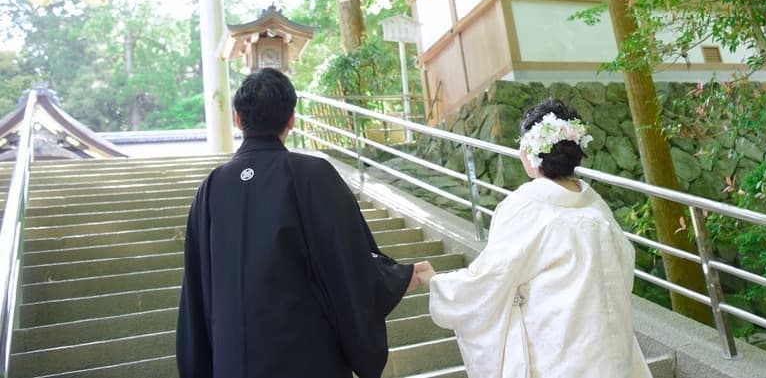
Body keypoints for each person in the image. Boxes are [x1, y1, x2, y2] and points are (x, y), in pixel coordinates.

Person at [176, 67, 429, 378]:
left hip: (231, 363)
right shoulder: (312, 175)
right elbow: (348, 261)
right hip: (307, 358)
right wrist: (399, 277)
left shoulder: (210, 189)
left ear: (238, 120)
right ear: (291, 120)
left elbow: (196, 292)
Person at [415, 98, 651, 378]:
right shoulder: (596, 206)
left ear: (530, 150)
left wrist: (437, 282)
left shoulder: (527, 206)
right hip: (608, 350)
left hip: (557, 352)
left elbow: (490, 278)